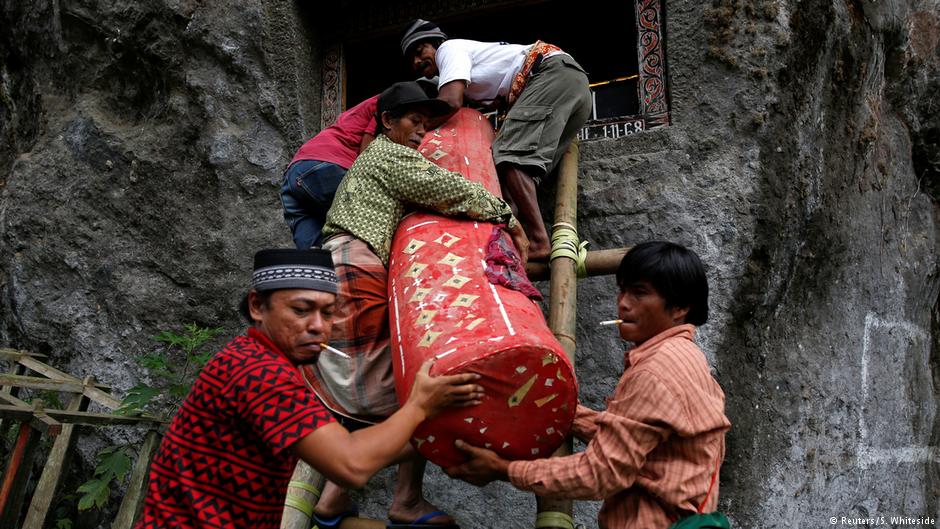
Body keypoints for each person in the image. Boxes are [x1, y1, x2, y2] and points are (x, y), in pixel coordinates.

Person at [304, 81, 528, 528]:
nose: (420, 131)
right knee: (419, 398)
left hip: (347, 270)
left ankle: (364, 497)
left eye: (426, 125)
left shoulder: (376, 159)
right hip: (356, 271)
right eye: (413, 121)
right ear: (387, 122)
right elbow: (445, 187)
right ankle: (358, 495)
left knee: (407, 392)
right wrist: (506, 215)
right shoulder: (389, 155)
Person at [134, 248, 484, 529]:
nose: (318, 327)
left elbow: (342, 447)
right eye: (301, 310)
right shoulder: (260, 374)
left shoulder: (253, 358)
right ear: (257, 306)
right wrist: (419, 406)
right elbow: (350, 464)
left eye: (329, 313)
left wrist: (443, 440)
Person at [445, 241, 731, 529]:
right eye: (622, 290)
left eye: (639, 293)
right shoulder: (686, 358)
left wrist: (505, 469)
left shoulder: (658, 368)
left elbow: (601, 472)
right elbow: (630, 443)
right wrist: (558, 407)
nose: (623, 303)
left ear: (681, 307)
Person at [401, 19, 593, 261]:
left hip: (550, 74)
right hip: (573, 86)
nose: (417, 62)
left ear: (437, 44)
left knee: (508, 157)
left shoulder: (449, 50)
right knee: (518, 174)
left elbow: (450, 101)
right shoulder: (466, 76)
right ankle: (507, 239)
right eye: (412, 61)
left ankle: (538, 240)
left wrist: (415, 130)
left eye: (420, 52)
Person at [280, 94, 378, 249]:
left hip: (295, 172)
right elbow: (366, 155)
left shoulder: (356, 113)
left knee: (314, 260)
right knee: (374, 218)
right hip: (325, 166)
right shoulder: (395, 100)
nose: (420, 129)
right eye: (416, 121)